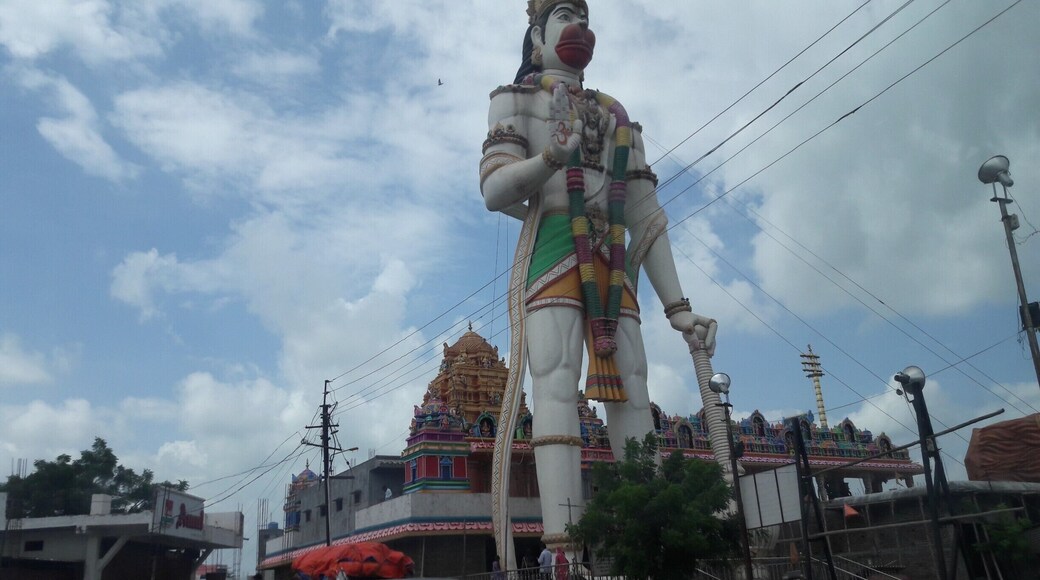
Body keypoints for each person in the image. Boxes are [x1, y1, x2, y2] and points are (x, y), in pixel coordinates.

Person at [481, 0, 716, 561]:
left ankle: (651, 541)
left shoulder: (616, 116)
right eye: (563, 15)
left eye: (583, 16)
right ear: (536, 38)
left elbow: (644, 213)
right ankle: (562, 553)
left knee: (634, 387)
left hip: (611, 259)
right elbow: (494, 189)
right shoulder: (515, 100)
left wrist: (678, 308)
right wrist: (549, 160)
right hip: (556, 249)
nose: (579, 27)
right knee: (556, 385)